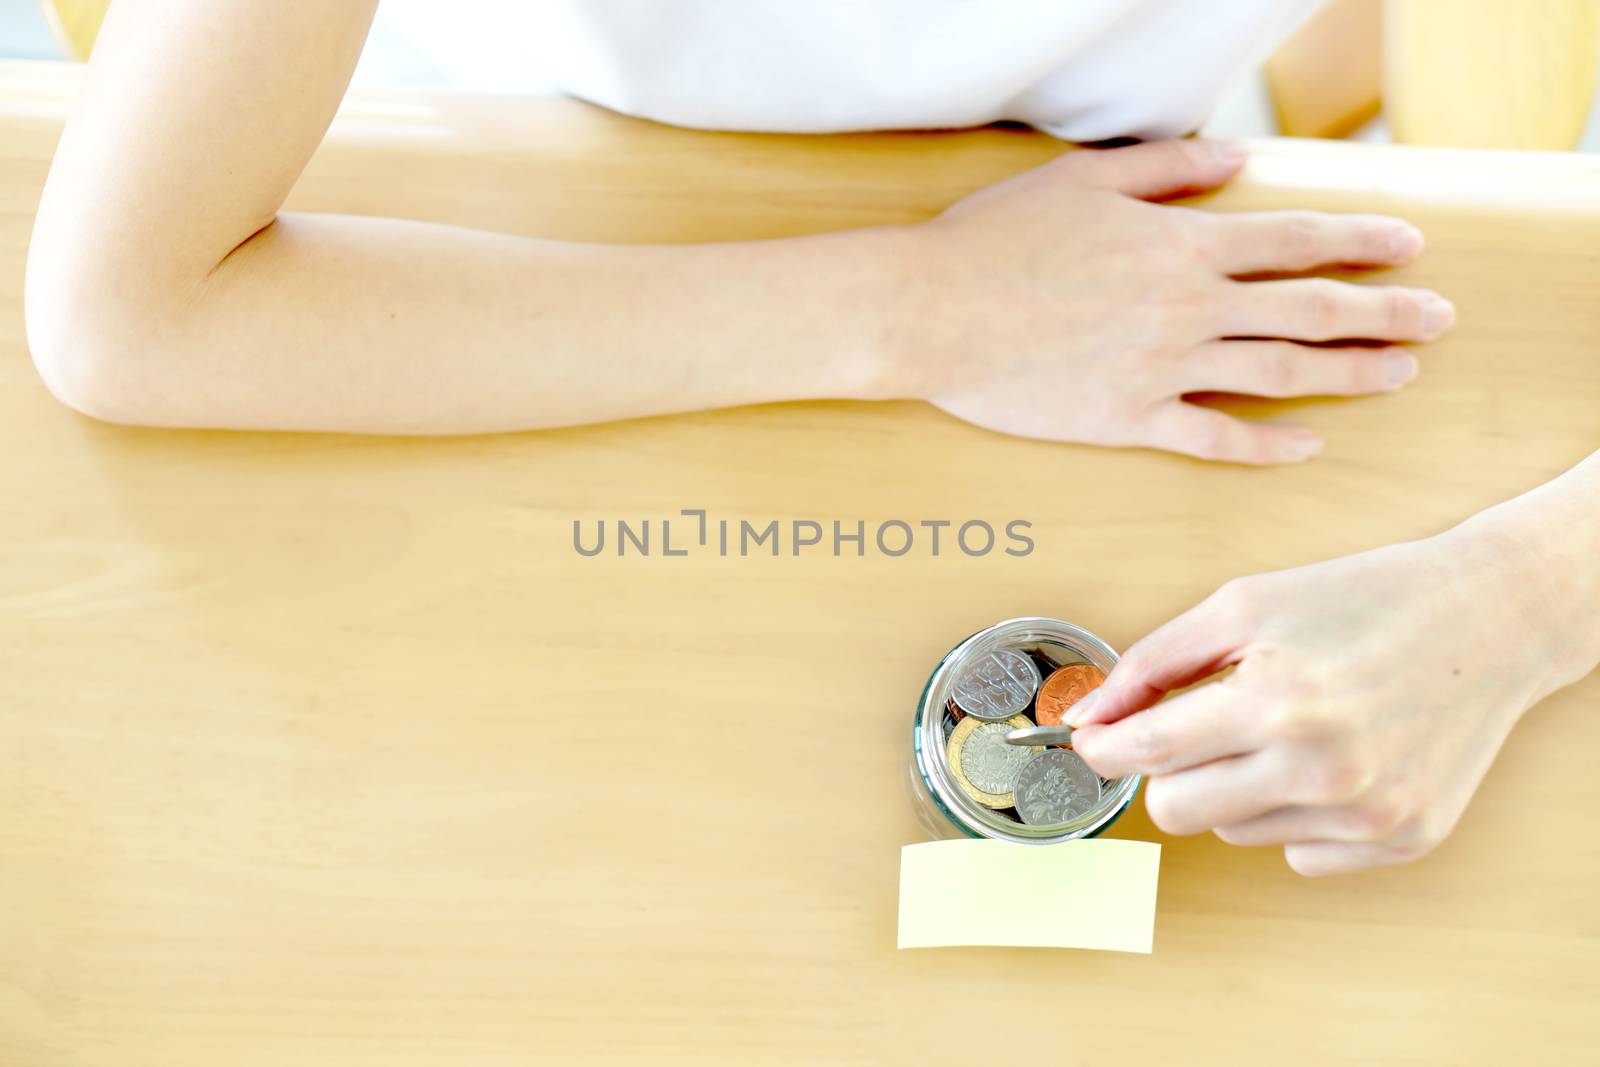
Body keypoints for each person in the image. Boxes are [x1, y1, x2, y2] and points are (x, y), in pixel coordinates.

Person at [21, 1, 1593, 873]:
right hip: (496, 258)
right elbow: (133, 312)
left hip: (1148, 237)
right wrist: (921, 308)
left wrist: (1519, 596)